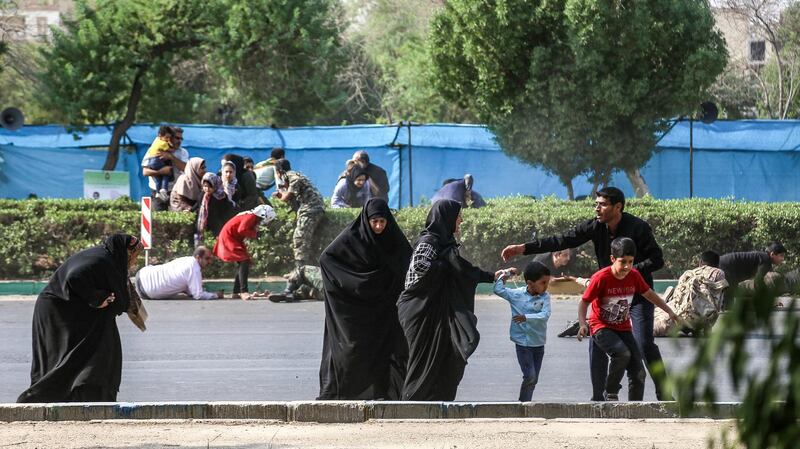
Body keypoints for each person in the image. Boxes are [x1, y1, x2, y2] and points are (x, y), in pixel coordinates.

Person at [501, 187, 669, 401]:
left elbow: (657, 259)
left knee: (644, 343)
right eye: (596, 203)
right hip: (607, 295)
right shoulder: (595, 226)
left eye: (602, 204)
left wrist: (630, 273)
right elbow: (562, 240)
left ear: (618, 207)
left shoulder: (638, 228)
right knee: (598, 341)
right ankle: (599, 398)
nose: (597, 208)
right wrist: (523, 248)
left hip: (637, 294)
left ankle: (666, 396)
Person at [17, 234, 143, 403]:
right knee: (63, 357)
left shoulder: (107, 259)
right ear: (126, 252)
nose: (135, 260)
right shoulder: (103, 260)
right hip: (57, 312)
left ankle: (87, 397)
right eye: (134, 255)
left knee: (96, 348)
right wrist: (96, 298)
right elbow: (74, 276)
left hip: (76, 311)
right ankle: (40, 399)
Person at [398, 199, 501, 401]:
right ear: (447, 218)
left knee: (443, 356)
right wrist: (445, 267)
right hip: (420, 310)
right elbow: (418, 269)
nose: (460, 220)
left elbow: (462, 269)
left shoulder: (445, 243)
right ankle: (412, 403)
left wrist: (490, 276)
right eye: (457, 216)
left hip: (434, 309)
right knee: (422, 359)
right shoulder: (430, 242)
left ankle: (436, 400)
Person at [317, 198, 412, 399]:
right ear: (366, 220)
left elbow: (407, 265)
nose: (378, 226)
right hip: (356, 308)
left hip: (384, 309)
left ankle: (384, 393)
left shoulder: (394, 240)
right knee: (353, 351)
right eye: (374, 222)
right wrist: (356, 284)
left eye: (382, 222)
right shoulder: (351, 238)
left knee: (387, 351)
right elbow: (326, 259)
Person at [577, 237, 680, 402]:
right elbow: (583, 303)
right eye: (622, 261)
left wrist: (669, 311)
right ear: (612, 259)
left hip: (623, 327)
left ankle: (634, 408)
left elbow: (649, 294)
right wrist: (583, 324)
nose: (626, 266)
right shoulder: (601, 278)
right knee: (622, 354)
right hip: (601, 326)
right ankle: (610, 391)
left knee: (639, 372)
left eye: (630, 262)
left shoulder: (634, 275)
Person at [493, 261, 552, 402]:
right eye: (543, 282)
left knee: (533, 379)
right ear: (530, 283)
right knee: (530, 376)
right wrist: (506, 273)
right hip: (523, 344)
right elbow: (498, 289)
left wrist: (526, 317)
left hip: (538, 344)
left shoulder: (545, 297)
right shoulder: (516, 295)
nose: (546, 286)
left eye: (547, 282)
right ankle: (523, 405)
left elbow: (545, 315)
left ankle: (524, 403)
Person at [271, 159, 326, 297]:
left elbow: (287, 197)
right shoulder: (295, 176)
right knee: (306, 242)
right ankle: (303, 283)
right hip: (311, 209)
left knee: (300, 239)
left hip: (311, 209)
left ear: (279, 171)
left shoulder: (292, 177)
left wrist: (279, 196)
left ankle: (298, 273)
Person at [653, 251, 728, 337]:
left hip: (678, 313)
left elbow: (678, 295)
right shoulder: (719, 272)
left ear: (700, 262)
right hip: (698, 316)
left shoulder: (689, 273)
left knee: (653, 326)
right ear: (717, 264)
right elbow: (718, 300)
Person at [213, 205, 277, 300]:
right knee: (244, 260)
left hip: (233, 238)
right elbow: (242, 229)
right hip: (229, 237)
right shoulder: (251, 217)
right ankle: (243, 291)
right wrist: (255, 234)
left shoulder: (251, 216)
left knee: (243, 263)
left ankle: (236, 292)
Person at [134, 246, 223, 300]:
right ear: (198, 258)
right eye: (207, 258)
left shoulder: (186, 259)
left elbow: (189, 289)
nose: (210, 262)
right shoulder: (194, 268)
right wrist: (216, 295)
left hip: (142, 273)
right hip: (147, 292)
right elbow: (198, 295)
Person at [719, 241, 786, 310]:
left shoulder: (763, 258)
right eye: (781, 256)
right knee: (730, 289)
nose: (783, 259)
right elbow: (758, 282)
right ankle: (725, 309)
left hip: (724, 263)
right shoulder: (766, 261)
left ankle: (724, 307)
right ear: (772, 254)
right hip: (726, 265)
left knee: (730, 288)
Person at [141, 126, 189, 211]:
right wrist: (161, 172)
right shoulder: (154, 149)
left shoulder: (183, 152)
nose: (179, 141)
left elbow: (186, 168)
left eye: (181, 139)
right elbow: (145, 172)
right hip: (157, 191)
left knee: (176, 220)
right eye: (177, 138)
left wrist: (171, 157)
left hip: (176, 192)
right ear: (169, 137)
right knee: (159, 220)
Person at [197, 172, 237, 239]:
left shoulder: (221, 197)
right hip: (206, 227)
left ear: (215, 185)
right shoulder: (202, 195)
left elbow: (226, 212)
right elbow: (198, 205)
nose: (207, 189)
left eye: (210, 187)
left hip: (218, 227)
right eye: (205, 186)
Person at [143, 125, 177, 201]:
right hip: (156, 160)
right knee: (167, 173)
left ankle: (158, 192)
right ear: (159, 135)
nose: (168, 140)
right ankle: (164, 189)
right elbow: (145, 172)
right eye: (167, 137)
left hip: (152, 162)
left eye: (170, 138)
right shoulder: (163, 143)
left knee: (158, 180)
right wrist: (161, 171)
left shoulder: (154, 143)